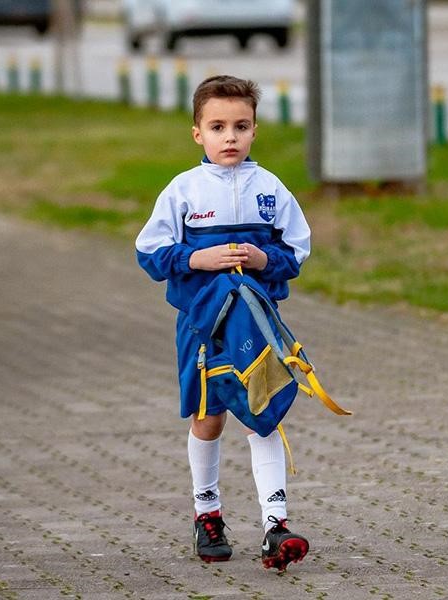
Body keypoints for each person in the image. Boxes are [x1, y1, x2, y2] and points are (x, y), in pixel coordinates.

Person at [135, 75, 311, 571]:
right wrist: (198, 259)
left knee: (264, 415)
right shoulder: (183, 191)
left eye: (241, 126)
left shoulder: (271, 190)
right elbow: (150, 253)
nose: (229, 136)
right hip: (202, 329)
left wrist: (262, 258)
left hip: (257, 325)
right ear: (197, 133)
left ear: (255, 130)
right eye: (217, 126)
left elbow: (295, 251)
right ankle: (207, 515)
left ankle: (276, 527)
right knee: (209, 419)